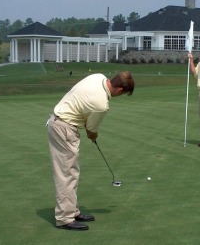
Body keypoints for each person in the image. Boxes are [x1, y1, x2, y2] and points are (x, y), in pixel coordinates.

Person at [47, 71, 135, 231]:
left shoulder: (97, 76)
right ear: (120, 90)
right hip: (64, 127)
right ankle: (64, 218)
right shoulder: (101, 104)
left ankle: (72, 211)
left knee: (71, 172)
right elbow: (91, 130)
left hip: (60, 122)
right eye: (123, 94)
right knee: (66, 174)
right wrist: (93, 136)